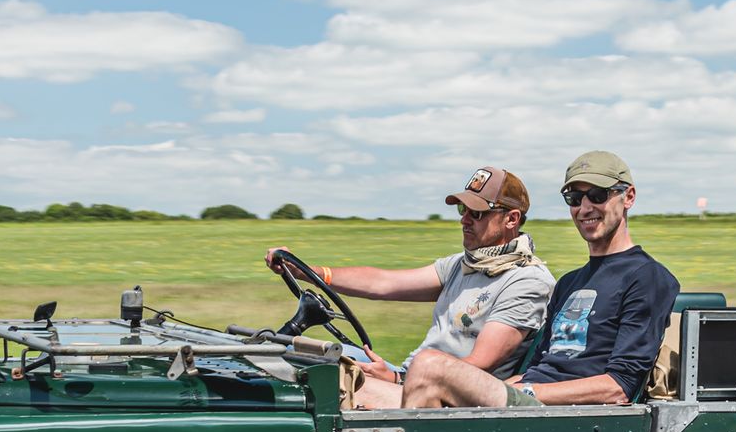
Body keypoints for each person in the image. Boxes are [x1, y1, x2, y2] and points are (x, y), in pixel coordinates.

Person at [402, 151, 679, 408]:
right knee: (369, 388)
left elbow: (618, 386)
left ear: (628, 197)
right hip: (530, 400)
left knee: (430, 365)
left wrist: (523, 394)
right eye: (574, 198)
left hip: (569, 417)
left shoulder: (646, 277)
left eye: (597, 195)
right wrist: (489, 388)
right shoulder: (570, 282)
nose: (584, 208)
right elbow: (535, 369)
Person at [265, 167, 554, 408]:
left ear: (511, 219)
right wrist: (307, 271)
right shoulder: (462, 265)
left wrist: (396, 380)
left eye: (477, 213)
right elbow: (383, 283)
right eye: (463, 209)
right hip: (412, 378)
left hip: (448, 401)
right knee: (297, 360)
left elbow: (478, 366)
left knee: (326, 388)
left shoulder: (526, 281)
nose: (464, 219)